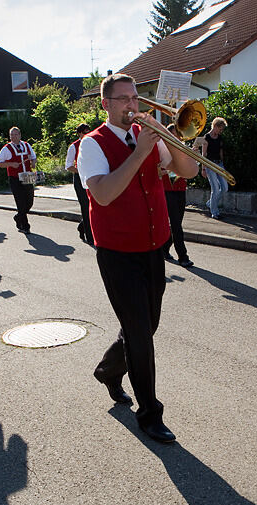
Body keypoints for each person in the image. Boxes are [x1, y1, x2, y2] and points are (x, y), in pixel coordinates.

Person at [77, 73, 198, 443]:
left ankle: (109, 370)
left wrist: (171, 139)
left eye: (135, 98)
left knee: (146, 326)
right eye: (124, 99)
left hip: (153, 247)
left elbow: (188, 170)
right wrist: (141, 152)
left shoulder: (147, 135)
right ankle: (149, 414)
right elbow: (104, 195)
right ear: (106, 105)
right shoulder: (91, 145)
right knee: (141, 337)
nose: (133, 105)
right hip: (117, 253)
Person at [161, 123, 193, 267]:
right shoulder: (162, 149)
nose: (177, 137)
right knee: (176, 224)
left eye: (178, 135)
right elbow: (157, 169)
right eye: (174, 134)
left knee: (176, 223)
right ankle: (183, 256)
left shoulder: (182, 148)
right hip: (168, 189)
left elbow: (189, 171)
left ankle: (164, 248)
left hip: (180, 188)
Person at [0, 127, 37, 233]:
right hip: (14, 177)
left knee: (30, 201)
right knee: (20, 202)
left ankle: (18, 217)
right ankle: (25, 225)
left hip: (27, 175)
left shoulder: (27, 145)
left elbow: (33, 157)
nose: (14, 137)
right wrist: (10, 164)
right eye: (12, 135)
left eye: (16, 134)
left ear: (20, 135)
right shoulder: (6, 148)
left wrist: (33, 162)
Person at [65, 123, 92, 244]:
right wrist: (81, 171)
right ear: (80, 133)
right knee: (85, 207)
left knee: (93, 206)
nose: (88, 134)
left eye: (89, 131)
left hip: (92, 178)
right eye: (85, 132)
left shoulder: (93, 143)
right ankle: (90, 237)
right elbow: (69, 166)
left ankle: (82, 226)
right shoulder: (74, 146)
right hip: (80, 178)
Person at [197, 116, 227, 219]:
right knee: (215, 188)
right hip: (209, 165)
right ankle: (215, 212)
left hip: (219, 164)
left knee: (224, 188)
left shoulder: (220, 138)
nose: (221, 131)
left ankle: (210, 203)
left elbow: (221, 151)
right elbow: (203, 154)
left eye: (222, 129)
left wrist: (223, 165)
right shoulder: (207, 137)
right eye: (220, 128)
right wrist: (203, 168)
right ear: (215, 126)